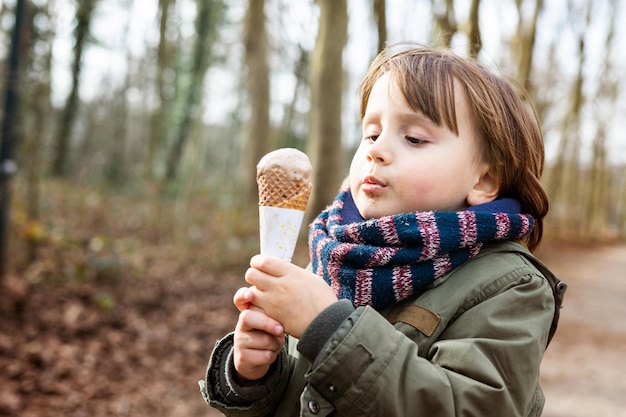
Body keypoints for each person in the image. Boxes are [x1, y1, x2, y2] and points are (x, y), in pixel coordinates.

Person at [199, 45, 566, 417]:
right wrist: (253, 375)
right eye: (371, 135)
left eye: (415, 139)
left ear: (484, 179)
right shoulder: (337, 259)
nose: (377, 151)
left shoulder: (511, 288)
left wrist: (332, 332)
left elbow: (473, 408)